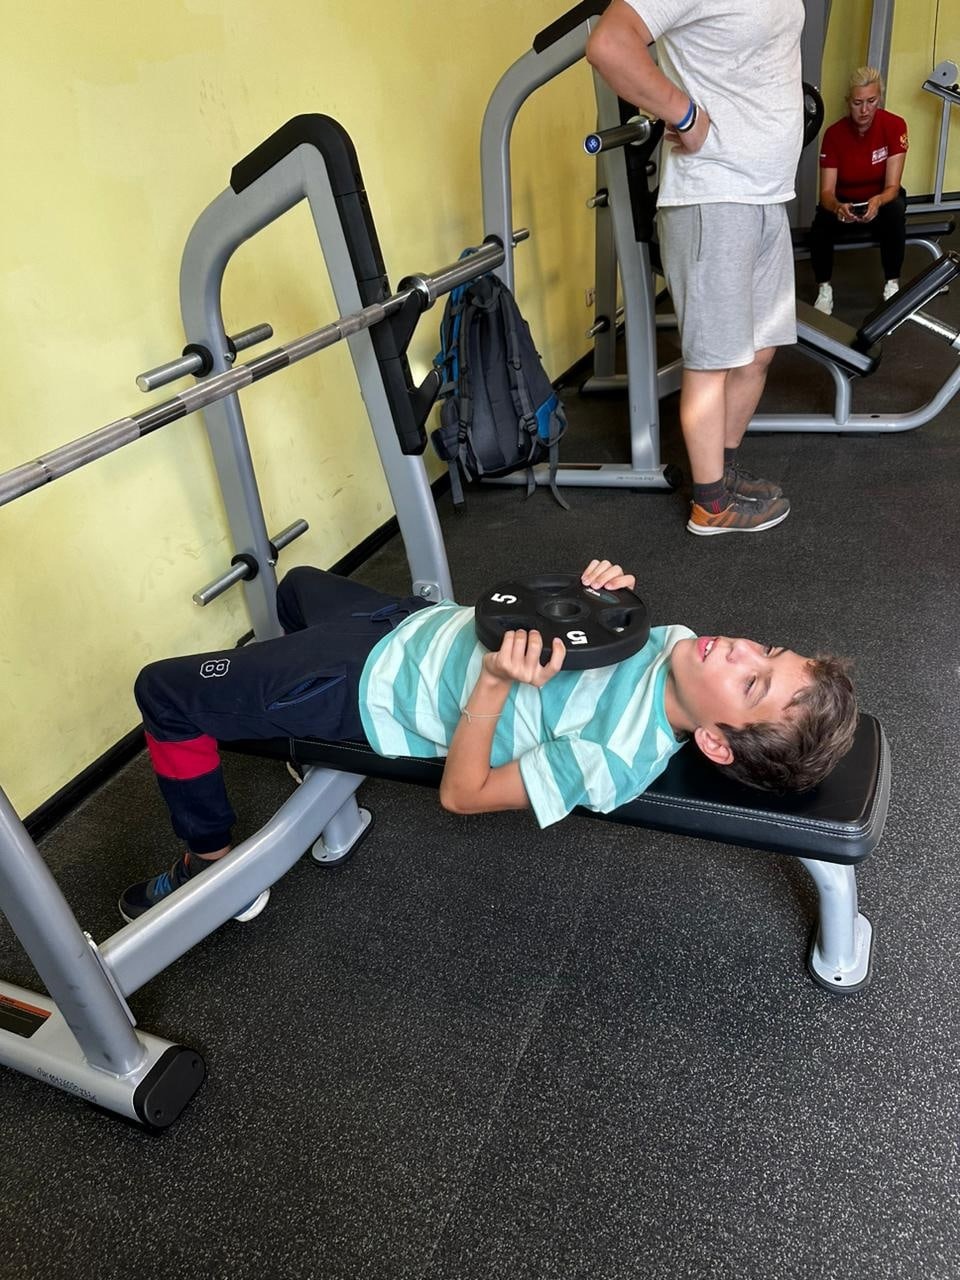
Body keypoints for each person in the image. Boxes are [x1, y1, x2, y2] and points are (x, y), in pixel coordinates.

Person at [120, 559, 858, 922]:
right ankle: (291, 727)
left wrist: (496, 685)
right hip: (414, 627)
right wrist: (596, 594)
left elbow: (462, 795)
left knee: (164, 693)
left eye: (752, 683)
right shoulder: (679, 647)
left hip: (371, 687)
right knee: (298, 588)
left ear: (719, 745)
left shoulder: (609, 760)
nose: (740, 649)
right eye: (767, 650)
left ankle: (211, 864)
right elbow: (565, 630)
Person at [586, 0, 804, 537]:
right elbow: (610, 44)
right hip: (714, 194)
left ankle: (721, 473)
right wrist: (684, 113)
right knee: (714, 360)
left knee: (759, 351)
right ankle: (710, 505)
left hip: (768, 194)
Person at [811, 67, 909, 317]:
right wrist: (837, 207)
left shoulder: (895, 126)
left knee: (895, 209)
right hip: (845, 202)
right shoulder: (834, 134)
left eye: (871, 101)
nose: (864, 110)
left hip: (881, 199)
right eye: (857, 103)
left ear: (879, 99)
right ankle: (824, 289)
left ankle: (892, 284)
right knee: (821, 223)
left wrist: (877, 201)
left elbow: (892, 187)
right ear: (848, 102)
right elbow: (826, 193)